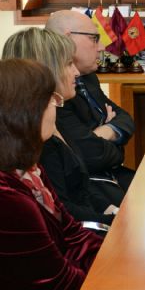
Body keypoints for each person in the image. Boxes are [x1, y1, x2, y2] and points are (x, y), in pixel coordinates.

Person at [0, 58, 103, 290]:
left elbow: (72, 233)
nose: (56, 109)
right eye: (50, 101)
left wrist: (115, 259)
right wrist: (115, 284)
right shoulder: (8, 198)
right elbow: (59, 288)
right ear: (25, 112)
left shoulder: (29, 167)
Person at [2, 28, 123, 224]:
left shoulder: (56, 118)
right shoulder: (40, 138)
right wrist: (114, 222)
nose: (76, 72)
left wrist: (113, 211)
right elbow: (62, 212)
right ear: (46, 70)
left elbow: (82, 185)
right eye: (69, 64)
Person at [45, 10, 135, 191]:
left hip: (111, 175)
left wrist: (103, 132)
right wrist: (112, 140)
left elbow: (125, 119)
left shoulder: (87, 78)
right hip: (88, 185)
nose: (102, 47)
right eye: (94, 38)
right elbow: (90, 155)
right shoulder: (52, 92)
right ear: (68, 38)